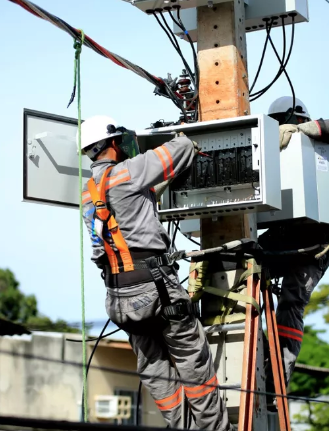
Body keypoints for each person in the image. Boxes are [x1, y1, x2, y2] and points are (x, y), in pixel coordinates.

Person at [80, 115, 231, 431]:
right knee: (193, 360)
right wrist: (182, 133)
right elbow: (182, 147)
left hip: (119, 299)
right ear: (112, 143)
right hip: (155, 288)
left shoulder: (87, 193)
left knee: (153, 368)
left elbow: (124, 215)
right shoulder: (130, 171)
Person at [259, 96, 329, 388]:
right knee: (240, 274)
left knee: (291, 300)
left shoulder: (318, 146)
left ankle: (278, 379)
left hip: (313, 245)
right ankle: (251, 356)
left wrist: (302, 132)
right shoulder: (269, 150)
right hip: (281, 238)